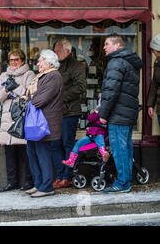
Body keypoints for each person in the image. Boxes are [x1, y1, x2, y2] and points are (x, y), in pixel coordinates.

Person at [99, 34, 142, 193]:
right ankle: (127, 180)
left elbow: (111, 91)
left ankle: (122, 183)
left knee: (119, 149)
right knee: (126, 147)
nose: (104, 47)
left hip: (118, 113)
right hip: (127, 112)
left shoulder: (116, 62)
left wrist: (103, 113)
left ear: (117, 46)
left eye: (107, 44)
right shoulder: (129, 61)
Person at [24, 49, 63, 198]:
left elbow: (40, 99)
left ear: (48, 62)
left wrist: (27, 100)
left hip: (44, 123)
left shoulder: (53, 76)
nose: (38, 63)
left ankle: (46, 187)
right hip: (36, 122)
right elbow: (29, 94)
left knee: (43, 154)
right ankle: (39, 184)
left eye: (40, 60)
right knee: (32, 152)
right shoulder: (43, 76)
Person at [0, 49, 34, 191]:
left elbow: (29, 92)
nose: (13, 63)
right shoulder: (4, 75)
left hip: (21, 117)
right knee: (9, 152)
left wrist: (14, 88)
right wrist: (6, 91)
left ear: (22, 60)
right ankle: (12, 182)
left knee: (25, 153)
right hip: (7, 117)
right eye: (11, 60)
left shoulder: (29, 74)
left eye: (16, 60)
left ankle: (29, 181)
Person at [53, 39, 86, 189]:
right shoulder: (54, 65)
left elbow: (80, 87)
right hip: (54, 112)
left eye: (58, 50)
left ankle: (67, 176)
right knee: (54, 144)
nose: (55, 53)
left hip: (69, 111)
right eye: (54, 50)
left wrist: (60, 96)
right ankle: (59, 175)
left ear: (67, 51)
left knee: (67, 143)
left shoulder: (76, 66)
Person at [62, 100, 109, 167]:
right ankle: (71, 160)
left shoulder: (107, 115)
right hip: (91, 134)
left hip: (99, 133)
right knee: (78, 143)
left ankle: (104, 155)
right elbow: (90, 119)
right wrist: (96, 112)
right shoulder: (96, 113)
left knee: (101, 144)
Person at [147, 34, 160, 125]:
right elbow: (154, 85)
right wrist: (150, 105)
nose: (153, 52)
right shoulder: (157, 63)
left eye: (153, 50)